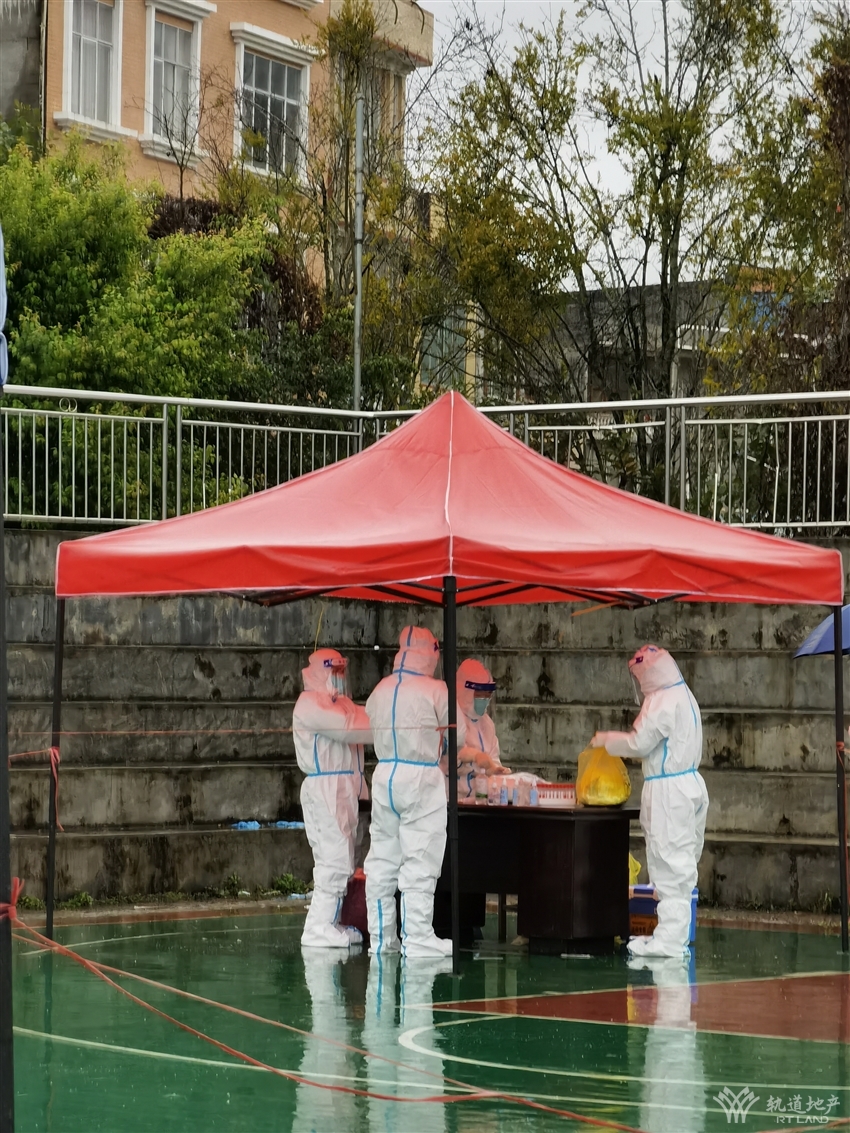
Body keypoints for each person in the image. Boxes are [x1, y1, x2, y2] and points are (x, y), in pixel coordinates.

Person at [592, 644, 708, 958]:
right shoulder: (684, 695)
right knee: (681, 866)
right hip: (689, 787)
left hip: (670, 792)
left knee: (669, 866)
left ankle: (669, 941)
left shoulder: (662, 700)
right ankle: (672, 936)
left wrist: (606, 741)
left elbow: (639, 743)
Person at [364, 626, 466, 958]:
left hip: (385, 775)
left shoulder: (381, 688)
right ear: (431, 653)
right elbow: (460, 734)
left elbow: (370, 721)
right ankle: (418, 936)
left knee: (382, 860)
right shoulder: (435, 689)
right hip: (421, 776)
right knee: (420, 858)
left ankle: (382, 939)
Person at [293, 648, 373, 948]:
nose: (340, 677)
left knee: (346, 860)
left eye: (342, 671)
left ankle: (333, 922)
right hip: (325, 790)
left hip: (346, 789)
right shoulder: (309, 703)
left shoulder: (342, 703)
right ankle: (317, 927)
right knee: (332, 860)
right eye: (334, 671)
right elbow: (350, 729)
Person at [451, 658, 510, 798]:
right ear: (465, 691)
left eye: (487, 695)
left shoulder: (487, 724)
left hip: (479, 800)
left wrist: (495, 769)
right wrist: (475, 757)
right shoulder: (451, 718)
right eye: (480, 695)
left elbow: (493, 757)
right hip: (452, 798)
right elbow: (449, 759)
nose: (485, 699)